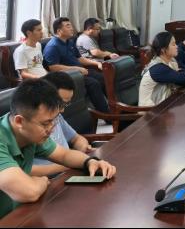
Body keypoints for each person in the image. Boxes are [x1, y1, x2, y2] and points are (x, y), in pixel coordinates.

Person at [0, 79, 116, 218]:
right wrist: (43, 181)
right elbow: (29, 192)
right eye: (45, 123)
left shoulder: (29, 132)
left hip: (20, 213)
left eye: (53, 121)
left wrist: (90, 161)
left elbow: (64, 155)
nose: (51, 129)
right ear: (19, 121)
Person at [32, 72, 93, 177]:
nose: (62, 110)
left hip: (69, 172)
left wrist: (81, 150)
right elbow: (22, 171)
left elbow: (76, 139)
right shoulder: (29, 124)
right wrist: (70, 164)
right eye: (60, 103)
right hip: (50, 180)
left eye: (66, 104)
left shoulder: (57, 116)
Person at [42, 17, 109, 113]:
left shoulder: (70, 42)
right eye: (68, 26)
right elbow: (53, 67)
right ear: (59, 31)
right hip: (68, 76)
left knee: (104, 77)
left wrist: (97, 63)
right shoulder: (52, 46)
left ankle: (113, 105)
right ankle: (106, 113)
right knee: (93, 84)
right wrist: (77, 69)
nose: (72, 28)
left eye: (71, 25)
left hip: (80, 71)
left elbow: (80, 58)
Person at [139, 32, 185, 107]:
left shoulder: (171, 62)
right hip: (149, 110)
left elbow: (183, 78)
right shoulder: (158, 68)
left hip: (162, 104)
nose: (177, 46)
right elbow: (184, 78)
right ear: (163, 50)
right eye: (173, 44)